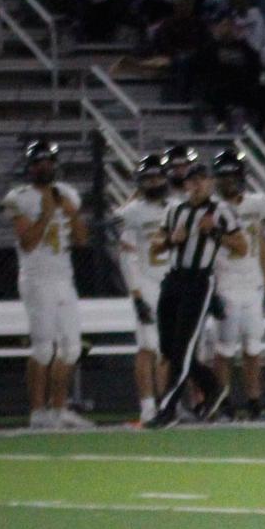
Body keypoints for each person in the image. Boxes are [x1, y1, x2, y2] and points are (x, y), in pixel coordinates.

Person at [151, 153, 248, 427]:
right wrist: (172, 239)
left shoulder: (221, 211)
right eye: (193, 181)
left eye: (203, 180)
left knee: (182, 347)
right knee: (170, 349)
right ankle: (214, 388)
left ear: (211, 184)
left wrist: (216, 233)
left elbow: (241, 247)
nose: (198, 185)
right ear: (186, 185)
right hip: (173, 280)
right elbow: (155, 245)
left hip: (199, 282)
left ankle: (167, 409)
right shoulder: (174, 210)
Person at [8, 142, 92, 430]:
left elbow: (81, 240)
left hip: (63, 277)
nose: (43, 166)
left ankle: (60, 409)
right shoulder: (19, 197)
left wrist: (71, 214)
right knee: (43, 348)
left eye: (48, 161)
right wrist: (45, 215)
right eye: (38, 162)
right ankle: (37, 412)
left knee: (71, 348)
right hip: (36, 277)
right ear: (30, 166)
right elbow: (28, 244)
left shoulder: (67, 193)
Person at [207, 150, 265, 419]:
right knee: (224, 349)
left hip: (253, 283)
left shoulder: (256, 204)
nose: (228, 181)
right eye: (223, 176)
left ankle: (254, 401)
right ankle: (222, 401)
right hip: (225, 283)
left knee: (253, 348)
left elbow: (262, 247)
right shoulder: (211, 210)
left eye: (232, 175)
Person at [116, 154, 175, 425]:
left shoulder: (176, 207)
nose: (154, 182)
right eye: (149, 178)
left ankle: (166, 404)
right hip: (148, 282)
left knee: (170, 348)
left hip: (173, 282)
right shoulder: (132, 212)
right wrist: (137, 295)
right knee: (148, 346)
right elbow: (126, 257)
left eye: (158, 177)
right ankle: (148, 406)